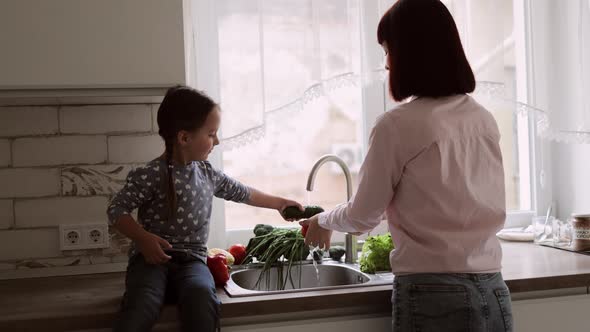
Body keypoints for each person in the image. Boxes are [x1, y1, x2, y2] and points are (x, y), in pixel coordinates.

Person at [300, 1, 513, 331]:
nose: (386, 64)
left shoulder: (397, 126)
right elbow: (440, 199)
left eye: (388, 50)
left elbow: (362, 216)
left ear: (411, 54)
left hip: (433, 293)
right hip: (494, 289)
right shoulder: (482, 119)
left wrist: (323, 220)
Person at [107, 85, 302, 332]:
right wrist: (143, 239)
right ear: (184, 138)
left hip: (192, 262)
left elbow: (243, 192)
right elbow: (116, 209)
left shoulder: (207, 174)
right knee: (142, 303)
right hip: (149, 262)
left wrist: (279, 203)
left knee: (202, 298)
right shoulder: (150, 174)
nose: (217, 141)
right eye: (211, 134)